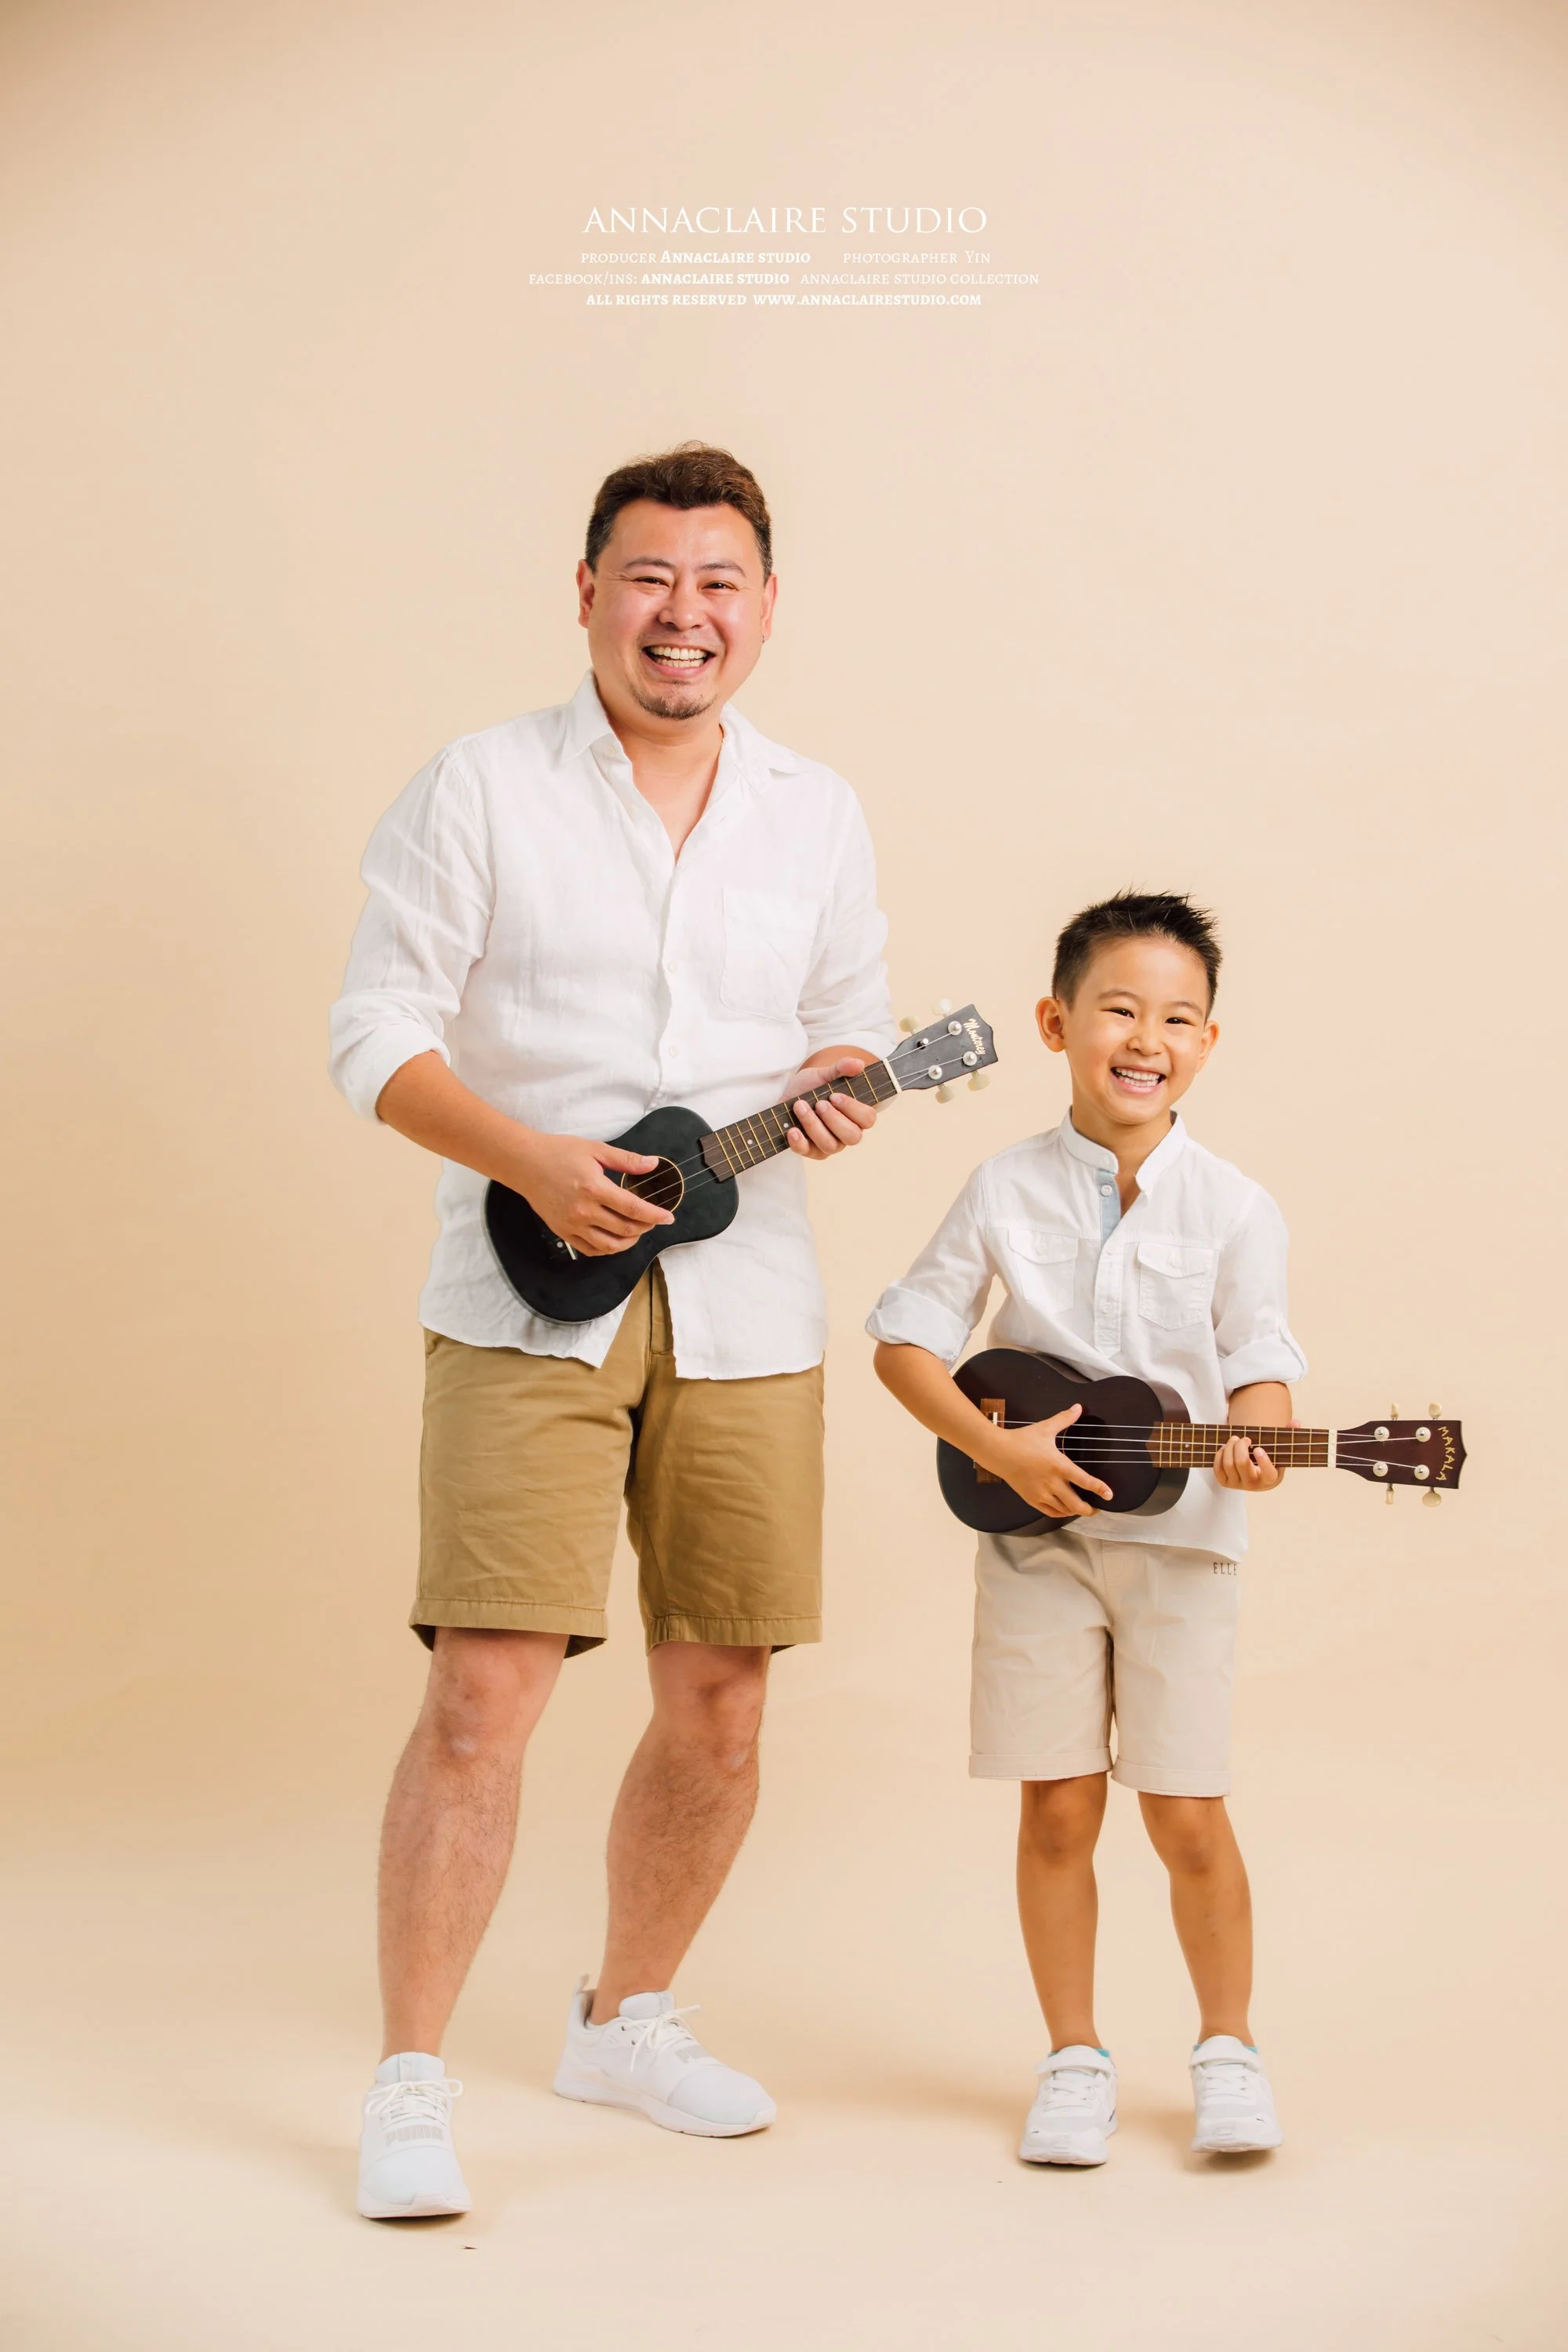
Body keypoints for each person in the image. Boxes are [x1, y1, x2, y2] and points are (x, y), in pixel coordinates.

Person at [329, 443, 893, 2219]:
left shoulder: (816, 807)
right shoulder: (478, 786)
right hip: (523, 1296)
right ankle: (410, 2081)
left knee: (720, 1699)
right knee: (483, 1698)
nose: (684, 614)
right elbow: (372, 1033)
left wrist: (838, 1083)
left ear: (767, 611)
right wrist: (532, 1163)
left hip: (751, 1303)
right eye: (650, 577)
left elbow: (848, 1027)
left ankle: (623, 2018)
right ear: (586, 594)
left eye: (720, 583)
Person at [867, 891, 1303, 2166]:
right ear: (1058, 1023)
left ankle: (1228, 2049)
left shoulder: (1234, 1205)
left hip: (1183, 1552)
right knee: (1055, 1811)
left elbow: (1260, 1356)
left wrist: (1262, 1439)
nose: (1146, 1036)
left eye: (1178, 1017)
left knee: (1185, 1814)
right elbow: (907, 1337)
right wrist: (992, 1444)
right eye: (1118, 1008)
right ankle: (1074, 2058)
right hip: (1034, 1547)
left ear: (1208, 1045)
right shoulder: (1002, 1185)